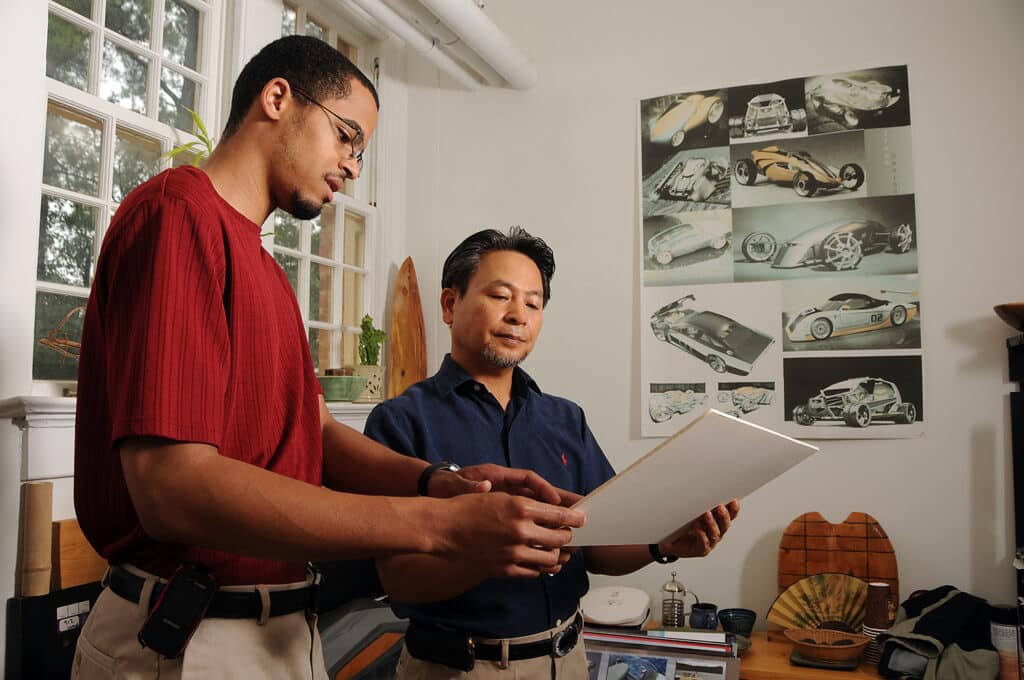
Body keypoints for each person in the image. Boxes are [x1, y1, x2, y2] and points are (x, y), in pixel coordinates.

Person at [72, 37, 583, 679]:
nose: (352, 166)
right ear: (278, 98)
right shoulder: (179, 215)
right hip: (192, 638)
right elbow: (173, 489)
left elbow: (315, 433)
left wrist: (437, 483)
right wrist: (437, 524)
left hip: (280, 631)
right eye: (346, 136)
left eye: (361, 150)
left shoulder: (266, 270)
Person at [364, 227, 741, 679]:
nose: (518, 315)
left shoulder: (565, 419)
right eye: (501, 296)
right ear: (449, 304)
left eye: (533, 302)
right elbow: (399, 581)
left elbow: (598, 546)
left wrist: (661, 544)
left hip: (568, 660)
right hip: (458, 667)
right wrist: (488, 553)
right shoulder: (400, 421)